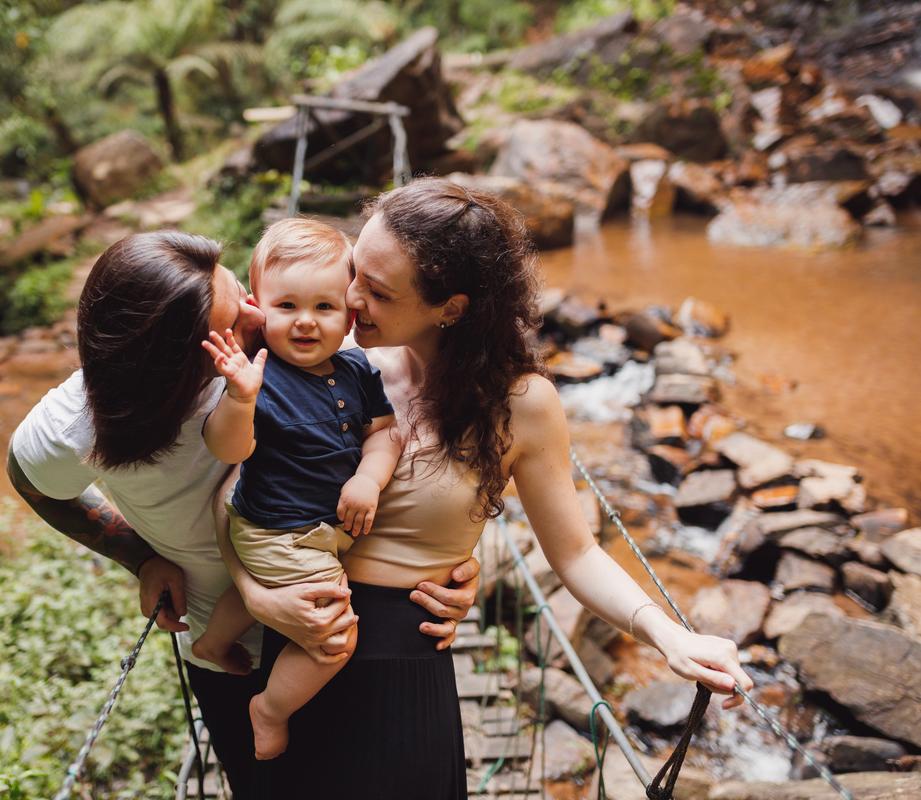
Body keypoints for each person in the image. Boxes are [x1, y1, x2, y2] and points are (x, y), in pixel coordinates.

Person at [218, 179, 755, 800]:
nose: (352, 298)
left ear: (451, 307)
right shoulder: (322, 360)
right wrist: (254, 593)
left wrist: (670, 636)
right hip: (293, 641)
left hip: (402, 670)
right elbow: (234, 491)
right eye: (354, 272)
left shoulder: (520, 406)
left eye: (379, 291)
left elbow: (576, 552)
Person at [5, 229, 480, 799]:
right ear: (181, 362)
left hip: (337, 623)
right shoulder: (77, 425)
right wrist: (137, 554)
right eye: (238, 317)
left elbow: (388, 458)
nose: (261, 317)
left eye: (244, 293)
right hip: (229, 655)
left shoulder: (319, 353)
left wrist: (452, 564)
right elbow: (30, 482)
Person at [191, 218, 402, 760]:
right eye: (286, 307)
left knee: (256, 589)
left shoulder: (357, 369)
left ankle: (215, 641)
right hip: (277, 530)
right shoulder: (256, 374)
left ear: (351, 314)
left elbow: (384, 435)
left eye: (324, 308)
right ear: (259, 307)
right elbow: (226, 450)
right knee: (334, 638)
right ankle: (270, 709)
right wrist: (240, 399)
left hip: (313, 532)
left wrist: (367, 478)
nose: (306, 323)